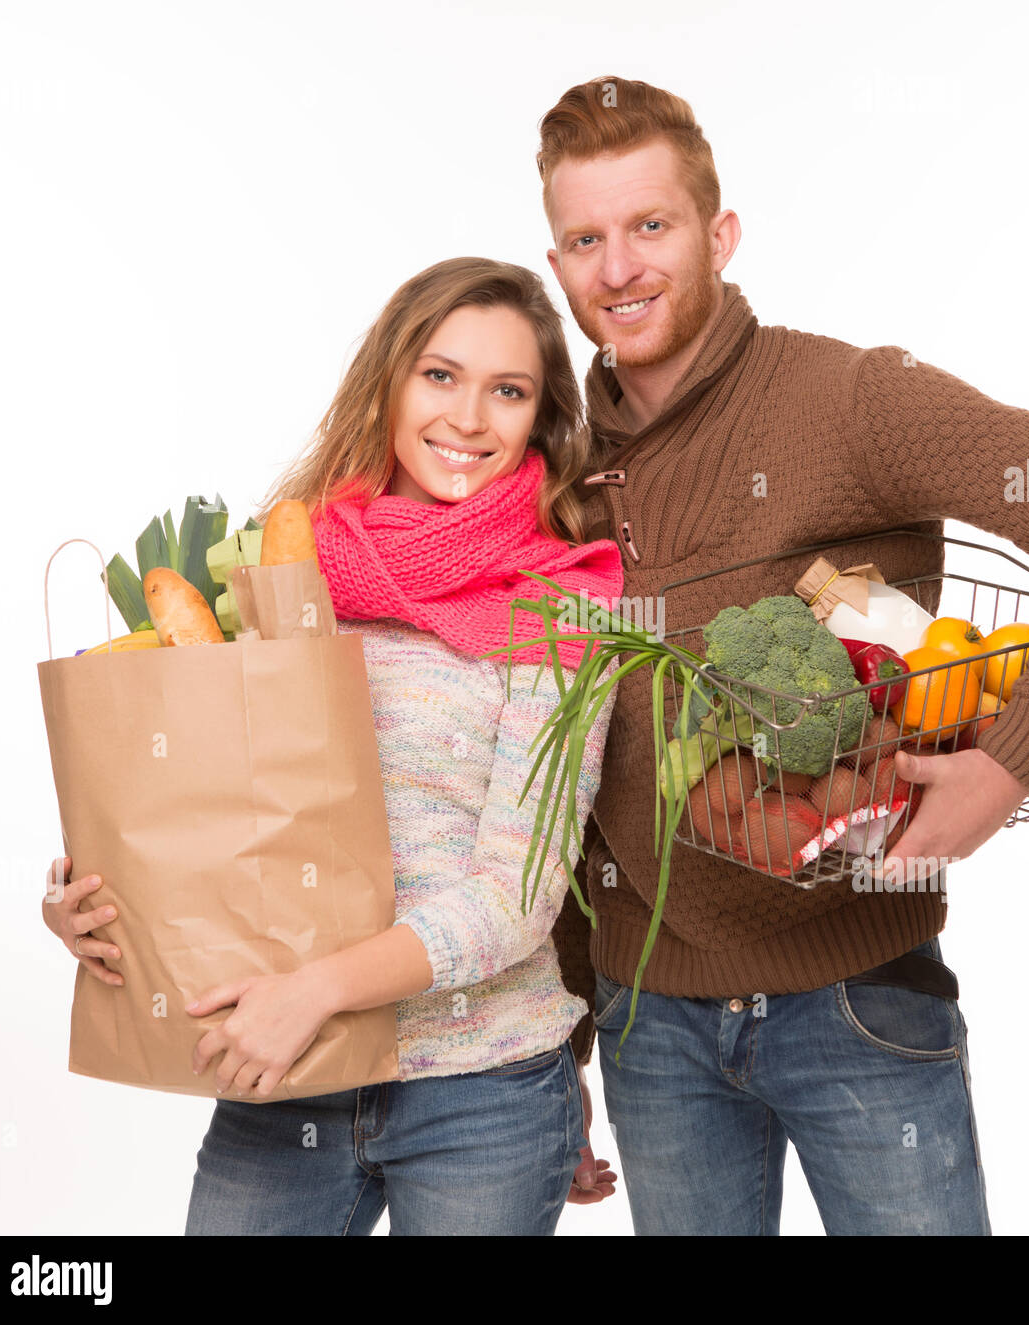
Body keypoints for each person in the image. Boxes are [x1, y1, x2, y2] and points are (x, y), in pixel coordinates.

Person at [535, 77, 1029, 1235]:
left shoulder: (848, 400)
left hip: (855, 1007)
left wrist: (1010, 764)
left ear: (718, 233)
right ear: (556, 265)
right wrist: (563, 1036)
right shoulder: (549, 470)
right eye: (585, 239)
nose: (619, 268)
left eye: (651, 225)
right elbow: (553, 772)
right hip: (653, 1028)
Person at [42, 256, 623, 1235]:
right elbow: (216, 815)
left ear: (541, 418)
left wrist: (311, 991)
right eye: (440, 375)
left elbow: (516, 895)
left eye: (508, 390)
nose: (470, 418)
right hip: (282, 1079)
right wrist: (98, 899)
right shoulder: (280, 571)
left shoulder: (563, 605)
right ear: (388, 383)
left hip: (479, 1094)